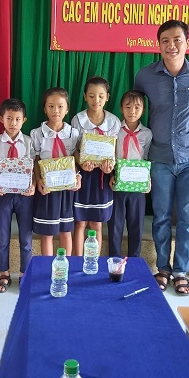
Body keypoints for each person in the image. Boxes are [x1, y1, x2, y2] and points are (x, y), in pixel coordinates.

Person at [134, 19, 189, 296]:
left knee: (188, 217)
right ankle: (163, 268)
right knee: (161, 216)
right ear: (158, 44)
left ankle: (181, 271)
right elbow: (136, 109)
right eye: (165, 40)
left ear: (188, 42)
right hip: (160, 157)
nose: (171, 45)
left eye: (177, 39)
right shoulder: (145, 76)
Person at [0, 98, 35, 292]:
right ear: (1, 119)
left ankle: (25, 273)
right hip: (2, 195)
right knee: (3, 235)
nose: (13, 123)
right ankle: (4, 273)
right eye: (9, 118)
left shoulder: (29, 142)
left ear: (24, 120)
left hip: (25, 196)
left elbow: (34, 169)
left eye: (17, 119)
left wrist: (33, 185)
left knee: (26, 237)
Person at [71, 76, 121, 256]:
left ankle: (95, 262)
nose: (96, 100)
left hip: (102, 177)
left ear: (107, 97)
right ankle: (77, 261)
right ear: (85, 96)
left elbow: (114, 152)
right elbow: (73, 150)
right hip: (83, 176)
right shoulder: (78, 120)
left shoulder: (114, 122)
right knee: (80, 222)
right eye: (91, 96)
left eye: (100, 96)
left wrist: (110, 168)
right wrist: (81, 163)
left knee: (97, 223)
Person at [30, 87, 81, 256]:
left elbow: (75, 158)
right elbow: (36, 160)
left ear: (67, 109)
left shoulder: (73, 133)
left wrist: (77, 176)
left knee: (66, 231)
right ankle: (47, 267)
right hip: (46, 189)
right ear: (44, 109)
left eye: (60, 106)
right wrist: (38, 180)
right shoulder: (37, 134)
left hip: (66, 189)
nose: (55, 110)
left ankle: (65, 265)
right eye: (51, 106)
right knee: (47, 232)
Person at [108, 90, 152, 257]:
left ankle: (135, 259)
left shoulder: (147, 133)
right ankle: (114, 258)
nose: (132, 111)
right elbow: (110, 155)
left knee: (136, 224)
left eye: (137, 107)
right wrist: (111, 175)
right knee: (115, 224)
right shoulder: (115, 131)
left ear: (143, 110)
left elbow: (147, 158)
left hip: (138, 186)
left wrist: (148, 179)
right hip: (117, 183)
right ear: (121, 108)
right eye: (128, 107)